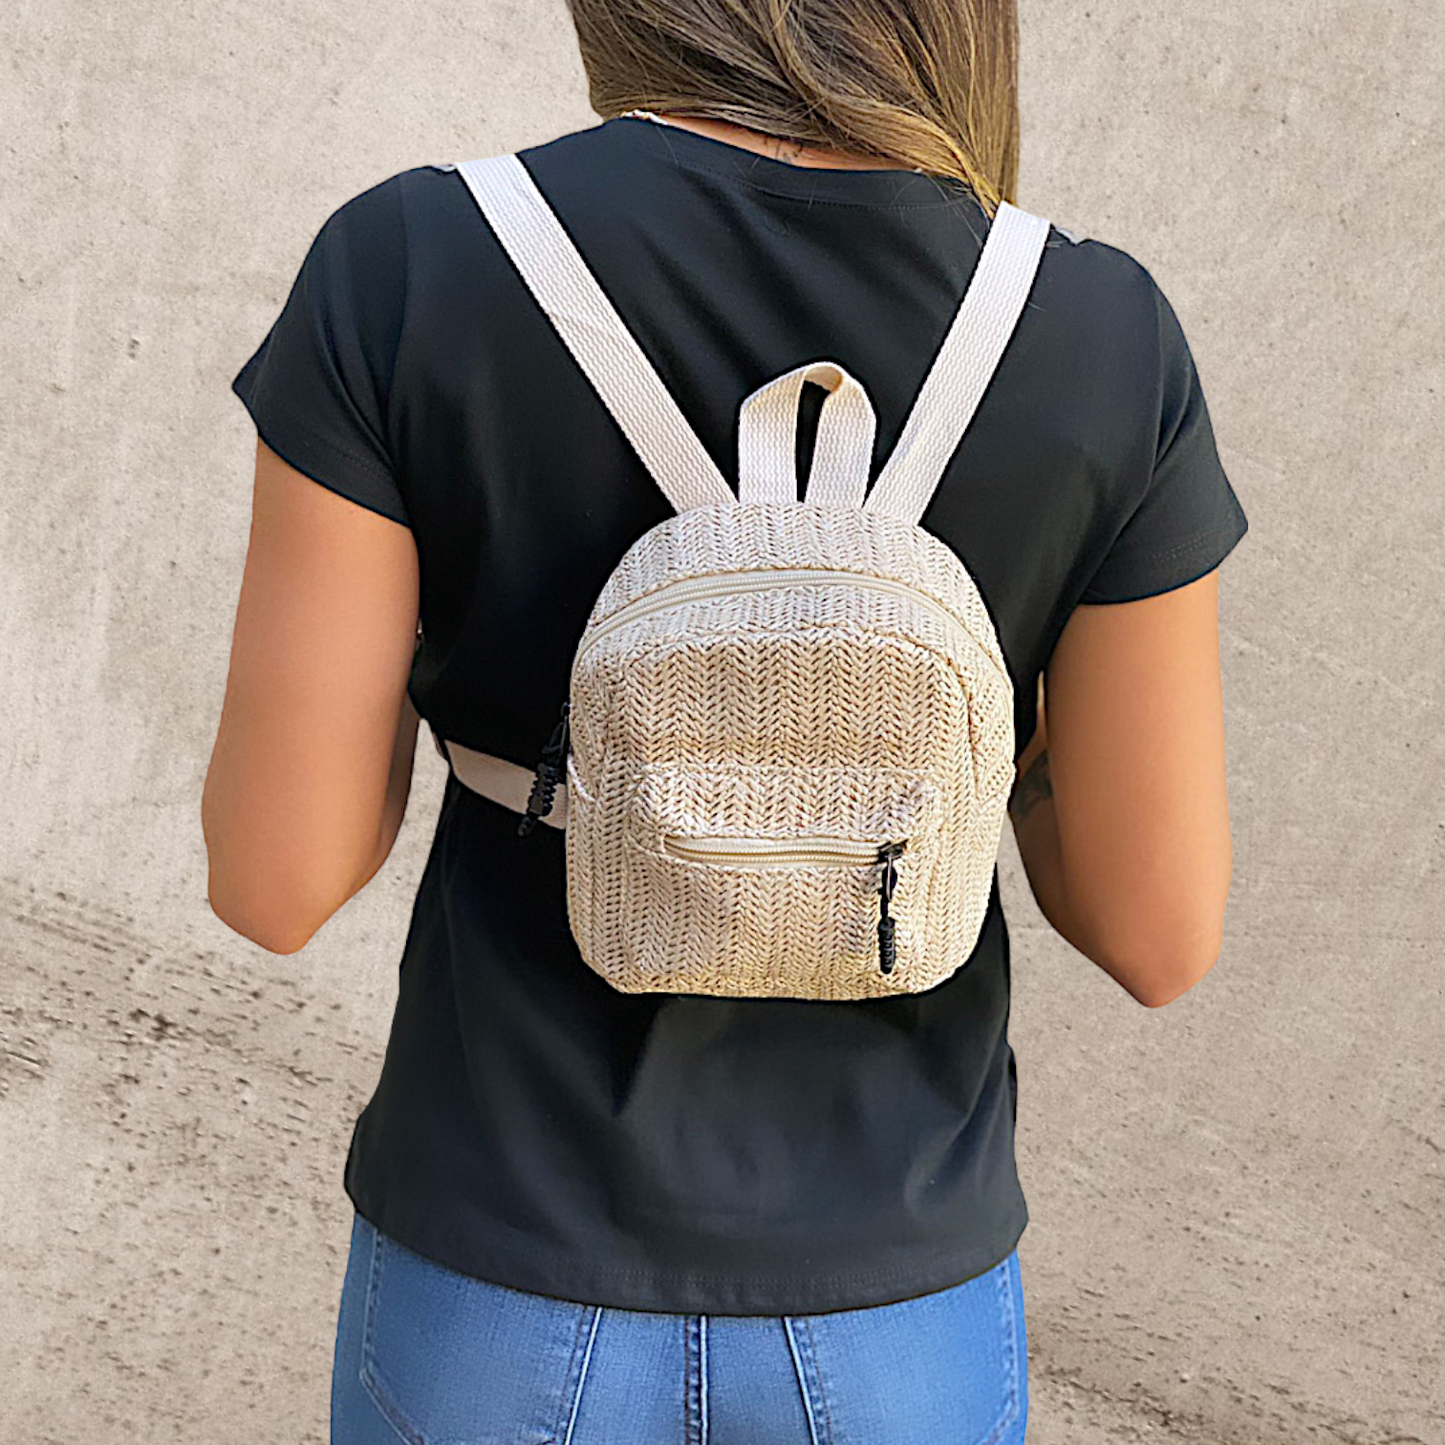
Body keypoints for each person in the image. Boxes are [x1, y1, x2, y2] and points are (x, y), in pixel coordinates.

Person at [202, 0, 1248, 1438]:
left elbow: (275, 883)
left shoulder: (415, 263)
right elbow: (1157, 933)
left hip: (500, 1255)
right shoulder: (1097, 332)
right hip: (893, 1307)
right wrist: (940, 739)